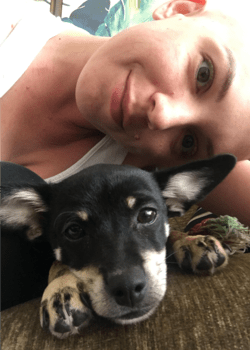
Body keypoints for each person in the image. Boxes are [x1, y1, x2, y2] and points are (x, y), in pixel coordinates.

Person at [1, 0, 250, 309]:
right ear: (180, 8)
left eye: (188, 142)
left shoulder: (152, 174)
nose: (163, 117)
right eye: (203, 73)